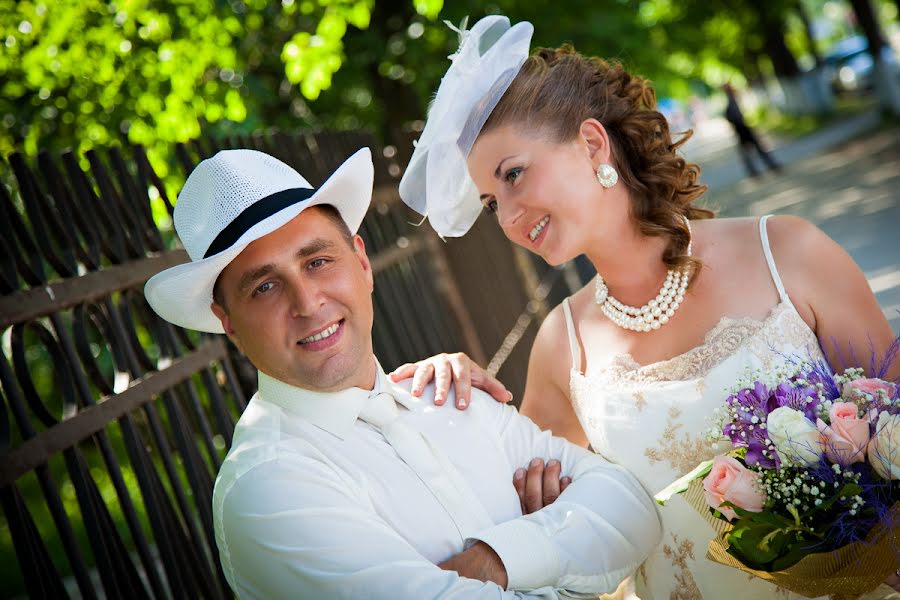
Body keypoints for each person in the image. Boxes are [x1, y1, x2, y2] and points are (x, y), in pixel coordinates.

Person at [395, 15, 899, 599]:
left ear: (590, 143)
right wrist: (459, 387)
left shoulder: (788, 252)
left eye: (513, 175)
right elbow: (502, 488)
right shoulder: (565, 347)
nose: (507, 216)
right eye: (490, 203)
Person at [142, 147, 662, 599]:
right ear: (227, 322)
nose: (307, 302)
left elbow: (632, 509)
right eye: (264, 287)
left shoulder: (451, 396)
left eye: (318, 261)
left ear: (362, 263)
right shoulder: (267, 488)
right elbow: (605, 534)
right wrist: (565, 548)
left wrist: (496, 561)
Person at [722, 82, 781, 178]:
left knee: (752, 151)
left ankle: (759, 169)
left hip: (741, 128)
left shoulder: (732, 100)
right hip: (742, 129)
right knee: (754, 150)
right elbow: (734, 117)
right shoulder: (731, 101)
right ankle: (766, 167)